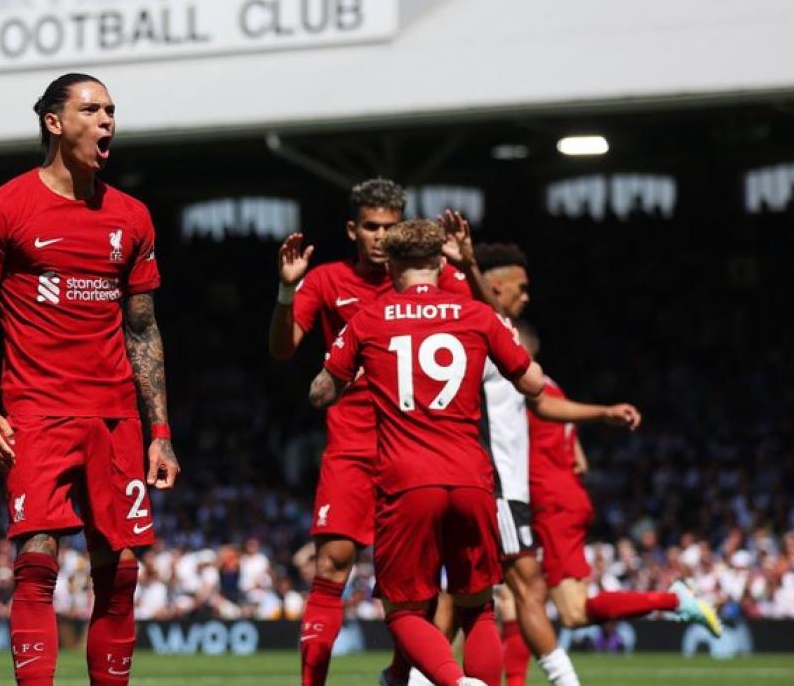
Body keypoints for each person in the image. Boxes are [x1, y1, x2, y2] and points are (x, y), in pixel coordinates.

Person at [0, 73, 179, 686]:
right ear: (54, 122)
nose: (107, 121)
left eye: (111, 110)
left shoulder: (132, 217)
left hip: (115, 417)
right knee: (37, 560)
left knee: (121, 570)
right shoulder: (2, 208)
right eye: (91, 109)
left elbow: (143, 331)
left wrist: (160, 430)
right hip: (37, 411)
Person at [464, 245, 718, 686]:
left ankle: (669, 602)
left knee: (540, 602)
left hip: (538, 497)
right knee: (509, 595)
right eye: (521, 289)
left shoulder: (523, 374)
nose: (527, 298)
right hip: (543, 496)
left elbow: (546, 412)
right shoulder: (503, 357)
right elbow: (573, 451)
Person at [268, 177, 486, 686]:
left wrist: (470, 263)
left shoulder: (434, 278)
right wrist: (286, 289)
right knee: (331, 565)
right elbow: (283, 348)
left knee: (418, 588)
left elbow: (488, 317)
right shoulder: (325, 282)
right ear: (353, 228)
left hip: (418, 448)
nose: (381, 237)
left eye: (390, 227)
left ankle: (401, 675)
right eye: (371, 226)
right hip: (354, 447)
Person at [309, 219, 545, 686]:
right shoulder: (477, 315)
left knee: (402, 611)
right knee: (477, 608)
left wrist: (349, 374)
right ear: (439, 262)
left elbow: (320, 394)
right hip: (472, 479)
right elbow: (533, 384)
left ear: (392, 264)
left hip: (406, 481)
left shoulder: (370, 319)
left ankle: (454, 684)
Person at [505, 321, 721, 686]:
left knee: (571, 612)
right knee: (516, 596)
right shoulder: (552, 387)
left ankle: (674, 601)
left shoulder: (517, 388)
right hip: (558, 496)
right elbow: (581, 462)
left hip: (549, 502)